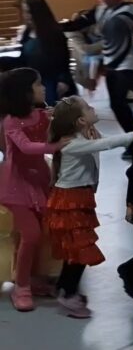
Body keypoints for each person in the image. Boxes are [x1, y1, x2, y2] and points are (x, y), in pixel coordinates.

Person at [45, 96, 133, 318]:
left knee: (76, 247)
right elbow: (107, 144)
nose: (93, 108)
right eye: (88, 108)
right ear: (80, 120)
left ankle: (63, 287)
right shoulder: (73, 144)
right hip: (70, 200)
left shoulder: (86, 135)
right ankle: (68, 294)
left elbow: (106, 141)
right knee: (81, 248)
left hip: (79, 197)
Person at [0, 68, 71, 312]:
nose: (43, 88)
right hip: (16, 186)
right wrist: (55, 146)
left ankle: (30, 278)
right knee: (31, 235)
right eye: (38, 84)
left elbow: (57, 128)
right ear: (25, 92)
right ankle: (21, 287)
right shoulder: (11, 121)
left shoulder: (41, 115)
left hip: (40, 181)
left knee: (40, 235)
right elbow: (26, 147)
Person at [60, 0, 133, 142]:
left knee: (119, 103)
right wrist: (51, 26)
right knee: (116, 105)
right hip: (110, 64)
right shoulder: (99, 10)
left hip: (127, 64)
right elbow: (76, 24)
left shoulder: (129, 8)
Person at [19, 0, 75, 104]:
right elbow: (24, 60)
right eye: (24, 12)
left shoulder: (54, 34)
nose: (25, 16)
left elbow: (63, 61)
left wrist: (63, 81)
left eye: (28, 12)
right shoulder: (26, 33)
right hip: (34, 83)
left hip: (52, 83)